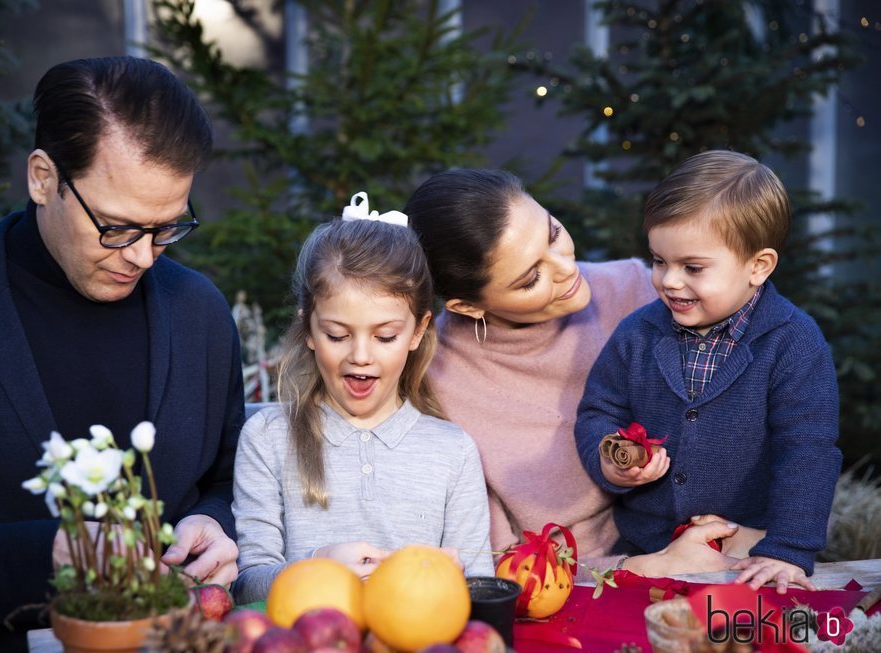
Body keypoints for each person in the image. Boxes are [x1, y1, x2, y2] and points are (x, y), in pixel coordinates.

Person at [0, 56, 245, 651]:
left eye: (167, 227)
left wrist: (215, 524)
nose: (142, 257)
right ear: (42, 178)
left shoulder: (200, 313)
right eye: (116, 227)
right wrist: (50, 554)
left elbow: (230, 476)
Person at [405, 168, 749, 574]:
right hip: (578, 589)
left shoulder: (639, 290)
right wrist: (647, 567)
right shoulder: (437, 387)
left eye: (552, 234)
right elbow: (499, 566)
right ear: (468, 307)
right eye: (531, 277)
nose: (567, 269)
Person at [574, 150, 841, 593]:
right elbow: (599, 408)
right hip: (650, 550)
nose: (669, 281)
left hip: (748, 552)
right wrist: (610, 456)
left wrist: (787, 548)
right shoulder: (637, 333)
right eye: (659, 261)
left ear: (758, 266)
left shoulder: (793, 343)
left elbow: (808, 450)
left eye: (692, 267)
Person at [231, 194, 493, 603]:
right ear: (309, 332)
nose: (361, 356)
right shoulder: (267, 438)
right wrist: (319, 566)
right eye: (337, 335)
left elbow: (479, 586)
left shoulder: (452, 451)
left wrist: (450, 578)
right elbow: (247, 585)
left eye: (385, 336)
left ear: (418, 331)